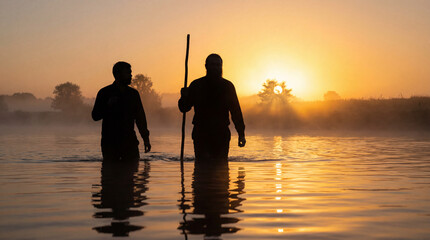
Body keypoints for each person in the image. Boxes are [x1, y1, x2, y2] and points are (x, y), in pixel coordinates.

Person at [178, 54, 246, 161]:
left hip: (221, 134)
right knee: (202, 167)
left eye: (218, 65)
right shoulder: (196, 85)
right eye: (213, 65)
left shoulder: (227, 87)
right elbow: (184, 108)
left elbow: (236, 111)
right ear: (206, 66)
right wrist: (183, 97)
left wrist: (241, 134)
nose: (215, 68)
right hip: (201, 134)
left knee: (221, 167)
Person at [92, 61, 151, 161]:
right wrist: (108, 105)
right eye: (128, 73)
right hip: (110, 144)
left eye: (130, 73)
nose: (131, 75)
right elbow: (95, 116)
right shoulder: (105, 93)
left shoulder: (133, 94)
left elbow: (140, 118)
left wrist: (146, 139)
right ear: (118, 75)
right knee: (110, 173)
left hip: (129, 143)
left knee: (131, 172)